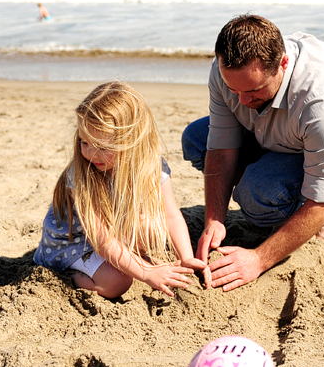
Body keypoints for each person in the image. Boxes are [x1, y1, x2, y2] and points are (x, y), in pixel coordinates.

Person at [182, 14, 324, 291]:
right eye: (234, 90)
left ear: (283, 63)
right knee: (196, 140)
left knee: (257, 194)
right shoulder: (227, 71)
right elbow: (221, 146)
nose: (243, 101)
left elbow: (322, 200)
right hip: (284, 132)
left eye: (254, 91)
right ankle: (278, 186)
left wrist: (258, 259)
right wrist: (214, 220)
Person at [34, 81, 203, 298]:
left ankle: (120, 261)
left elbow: (171, 216)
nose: (91, 154)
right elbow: (100, 237)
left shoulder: (151, 166)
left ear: (132, 141)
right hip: (72, 243)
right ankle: (70, 275)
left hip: (110, 231)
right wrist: (146, 271)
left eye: (103, 147)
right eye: (84, 142)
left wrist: (186, 256)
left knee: (152, 226)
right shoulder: (82, 174)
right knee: (117, 282)